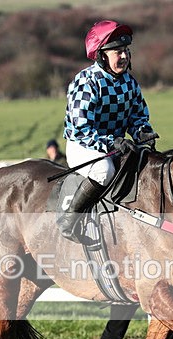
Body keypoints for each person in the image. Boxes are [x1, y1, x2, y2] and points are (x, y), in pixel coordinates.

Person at [59, 19, 156, 243]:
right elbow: (82, 128)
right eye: (117, 52)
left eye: (125, 51)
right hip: (83, 146)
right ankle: (68, 221)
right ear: (102, 55)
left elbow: (138, 115)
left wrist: (142, 131)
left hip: (117, 146)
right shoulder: (87, 82)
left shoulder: (130, 82)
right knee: (104, 171)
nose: (123, 56)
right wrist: (112, 142)